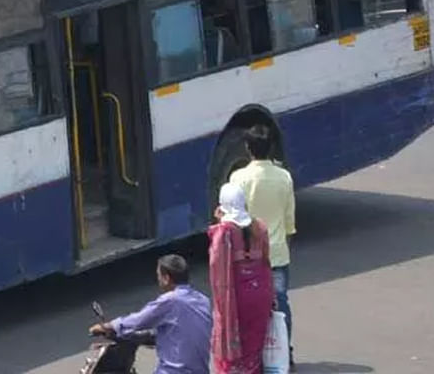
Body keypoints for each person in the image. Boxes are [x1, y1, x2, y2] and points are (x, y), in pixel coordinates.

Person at [230, 126, 297, 371]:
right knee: (280, 305)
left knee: (250, 307)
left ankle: (254, 355)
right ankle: (284, 353)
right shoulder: (284, 177)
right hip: (278, 253)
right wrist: (284, 247)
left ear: (248, 149)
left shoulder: (238, 179)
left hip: (249, 257)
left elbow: (235, 221)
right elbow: (290, 221)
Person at [89, 254, 212, 374]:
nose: (158, 280)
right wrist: (145, 337)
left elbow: (139, 320)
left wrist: (107, 327)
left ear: (166, 278)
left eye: (158, 276)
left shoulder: (171, 300)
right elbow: (179, 331)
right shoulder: (203, 300)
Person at [210, 182, 274, 374]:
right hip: (260, 294)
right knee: (254, 347)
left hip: (236, 299)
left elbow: (217, 269)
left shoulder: (225, 233)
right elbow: (266, 260)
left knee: (232, 353)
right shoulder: (259, 227)